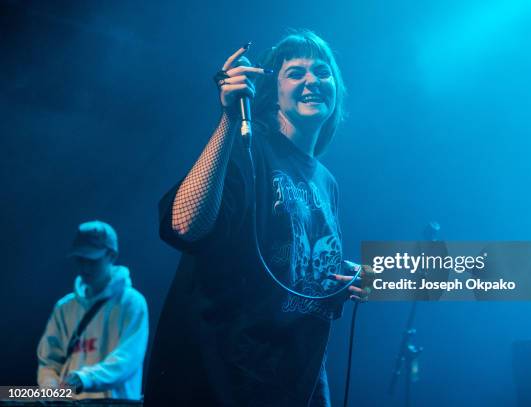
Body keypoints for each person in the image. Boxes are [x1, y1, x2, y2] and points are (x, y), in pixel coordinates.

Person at [145, 30, 367, 406]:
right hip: (222, 382)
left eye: (322, 71)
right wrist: (230, 120)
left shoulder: (326, 182)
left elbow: (292, 268)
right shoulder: (249, 148)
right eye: (295, 73)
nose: (312, 80)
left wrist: (342, 277)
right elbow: (184, 225)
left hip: (292, 382)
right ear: (273, 93)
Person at [37, 220, 149, 400]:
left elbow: (127, 359)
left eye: (92, 260)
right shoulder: (64, 308)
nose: (85, 267)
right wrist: (52, 390)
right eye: (80, 260)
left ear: (111, 256)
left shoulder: (131, 302)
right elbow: (48, 362)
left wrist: (83, 379)